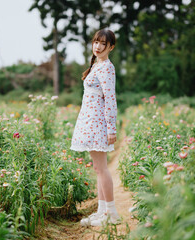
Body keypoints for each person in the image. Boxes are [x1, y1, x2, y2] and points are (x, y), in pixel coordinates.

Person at [70, 29, 120, 227]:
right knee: (98, 168)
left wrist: (111, 129)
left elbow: (110, 99)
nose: (98, 47)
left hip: (98, 123)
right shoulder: (96, 65)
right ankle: (102, 211)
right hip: (90, 121)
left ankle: (112, 214)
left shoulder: (107, 67)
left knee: (102, 169)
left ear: (111, 47)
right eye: (96, 42)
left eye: (103, 44)